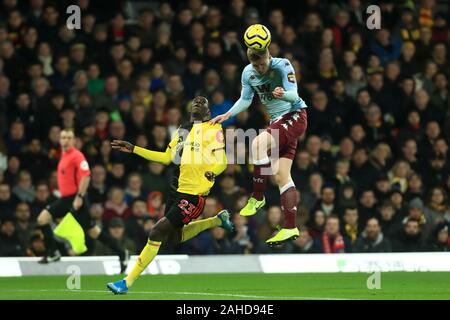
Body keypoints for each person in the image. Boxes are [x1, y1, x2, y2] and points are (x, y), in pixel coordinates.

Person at [107, 96, 234, 294]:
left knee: (157, 231)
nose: (197, 103)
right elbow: (167, 157)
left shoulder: (213, 128)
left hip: (194, 194)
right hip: (177, 190)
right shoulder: (182, 129)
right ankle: (216, 221)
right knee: (174, 238)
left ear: (208, 112)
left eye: (203, 102)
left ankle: (126, 282)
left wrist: (213, 172)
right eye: (195, 102)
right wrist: (134, 149)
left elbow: (223, 160)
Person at [211, 44, 308, 246]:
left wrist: (283, 94)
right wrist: (228, 114)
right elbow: (246, 99)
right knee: (282, 176)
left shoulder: (283, 65)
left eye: (262, 64)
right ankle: (290, 227)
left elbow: (295, 96)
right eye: (256, 65)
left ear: (268, 56)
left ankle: (257, 196)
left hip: (294, 115)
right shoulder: (248, 73)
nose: (260, 68)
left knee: (257, 145)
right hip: (278, 122)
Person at [36, 129, 128, 271]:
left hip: (74, 199)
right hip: (66, 199)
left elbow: (86, 175)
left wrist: (79, 197)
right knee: (43, 219)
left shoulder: (77, 156)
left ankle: (122, 253)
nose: (65, 140)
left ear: (73, 141)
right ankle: (53, 252)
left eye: (69, 138)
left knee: (93, 232)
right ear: (60, 140)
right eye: (63, 137)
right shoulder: (64, 155)